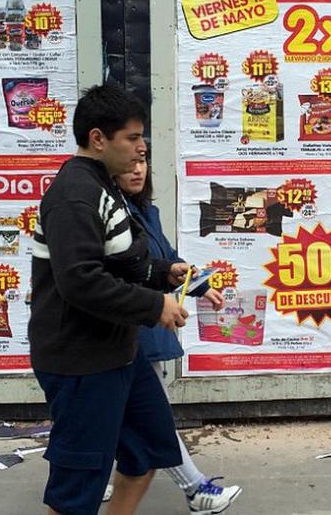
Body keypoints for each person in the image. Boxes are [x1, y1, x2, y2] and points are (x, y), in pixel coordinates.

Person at [29, 84, 191, 515]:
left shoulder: (105, 186)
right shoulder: (74, 194)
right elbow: (80, 280)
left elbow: (119, 260)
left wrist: (161, 273)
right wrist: (154, 307)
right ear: (98, 139)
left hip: (120, 352)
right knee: (76, 489)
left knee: (148, 451)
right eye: (133, 138)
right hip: (82, 363)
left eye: (143, 137)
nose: (142, 148)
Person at [113, 157, 244, 514]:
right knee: (151, 417)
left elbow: (167, 260)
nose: (137, 170)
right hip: (129, 328)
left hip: (151, 327)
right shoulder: (110, 216)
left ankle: (107, 474)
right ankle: (194, 488)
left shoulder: (147, 211)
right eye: (129, 165)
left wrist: (199, 286)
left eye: (142, 163)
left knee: (132, 415)